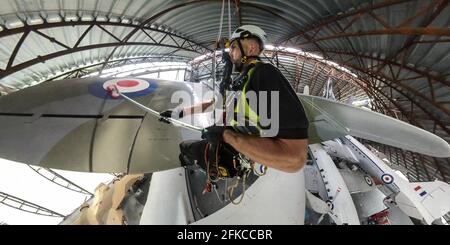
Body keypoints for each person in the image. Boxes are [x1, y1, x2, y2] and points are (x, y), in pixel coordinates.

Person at [160, 25, 309, 181]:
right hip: (231, 151)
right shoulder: (242, 79)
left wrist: (226, 135)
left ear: (251, 48)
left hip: (236, 152)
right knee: (189, 147)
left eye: (233, 47)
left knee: (185, 148)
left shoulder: (264, 75)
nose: (230, 53)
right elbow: (215, 103)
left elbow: (295, 160)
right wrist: (180, 112)